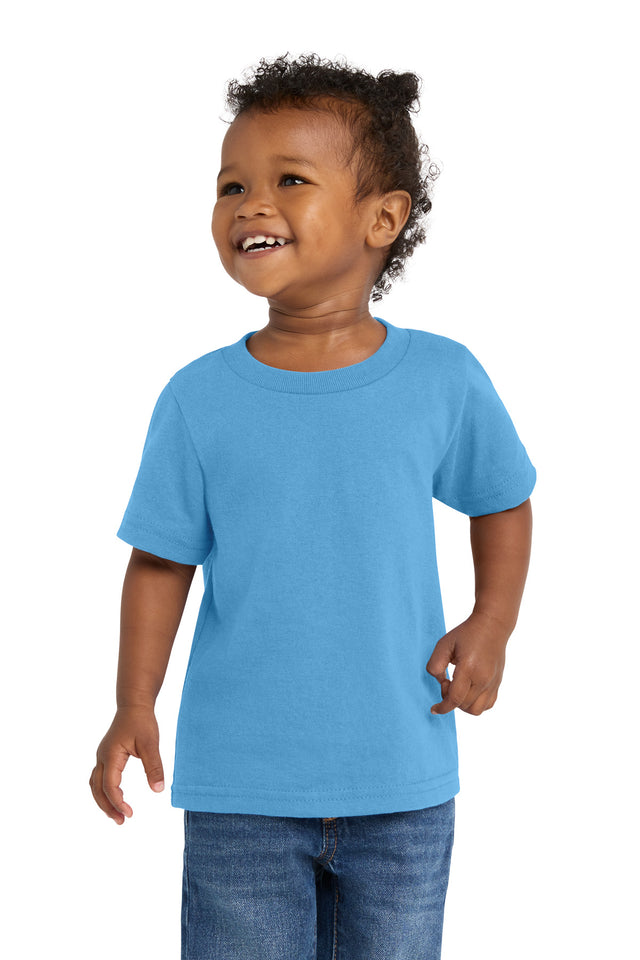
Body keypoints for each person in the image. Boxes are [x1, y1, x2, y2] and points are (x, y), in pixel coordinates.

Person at [90, 53, 536, 960]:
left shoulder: (442, 378)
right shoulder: (198, 398)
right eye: (232, 185)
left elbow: (502, 498)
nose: (250, 204)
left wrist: (492, 622)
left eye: (289, 180)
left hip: (402, 777)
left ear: (382, 218)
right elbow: (161, 560)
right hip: (241, 789)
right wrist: (134, 702)